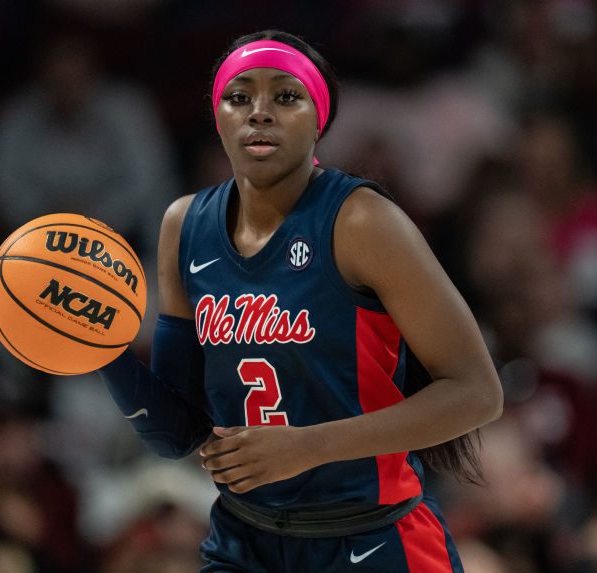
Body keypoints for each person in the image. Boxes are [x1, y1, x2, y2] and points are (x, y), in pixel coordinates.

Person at [98, 29, 503, 572]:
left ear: (320, 120)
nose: (259, 112)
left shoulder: (362, 221)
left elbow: (478, 393)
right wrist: (99, 351)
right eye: (239, 97)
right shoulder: (184, 225)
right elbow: (177, 433)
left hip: (371, 535)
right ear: (217, 118)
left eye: (286, 96)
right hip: (245, 540)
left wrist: (309, 447)